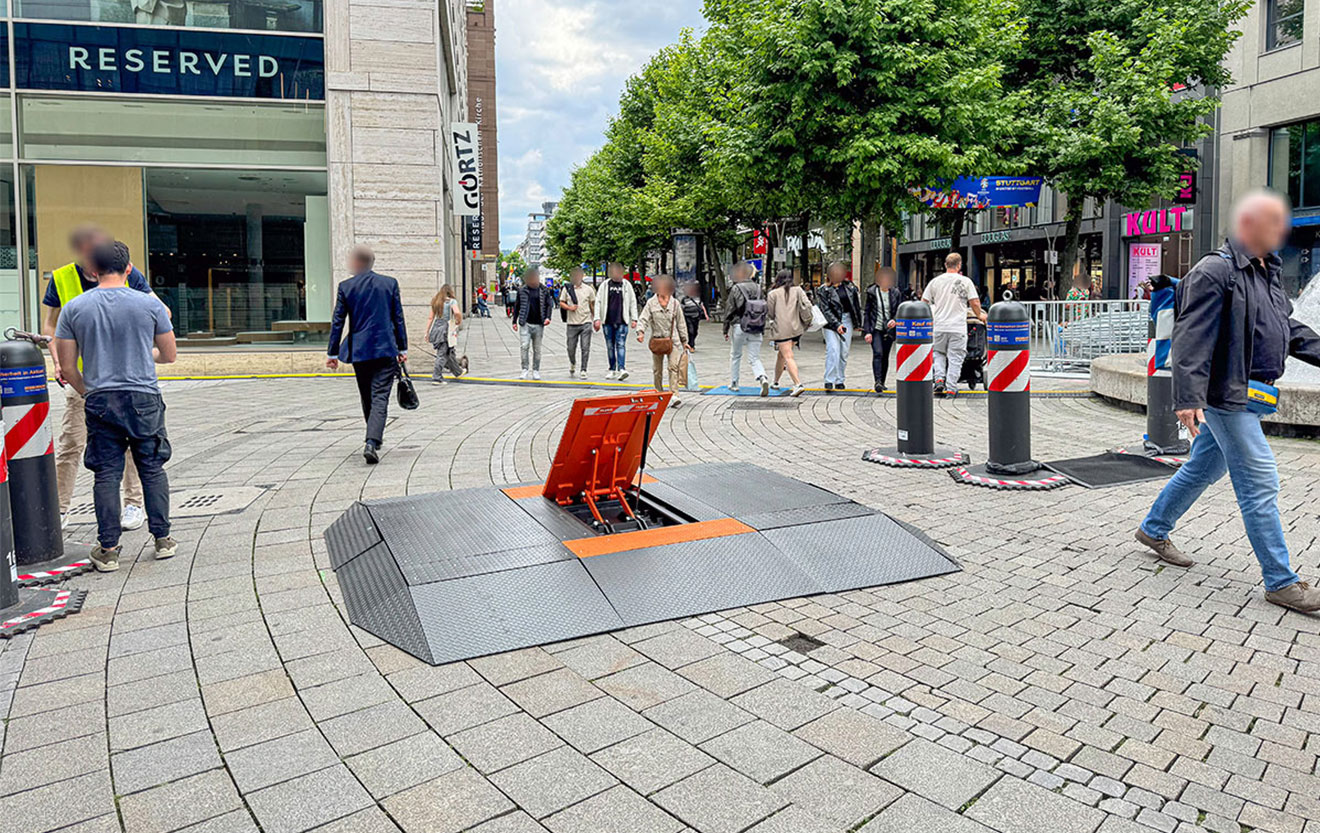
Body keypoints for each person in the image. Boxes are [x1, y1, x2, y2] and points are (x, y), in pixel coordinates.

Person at [1136, 190, 1320, 613]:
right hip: (1226, 395)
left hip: (1250, 394)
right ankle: (1281, 582)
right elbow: (1191, 336)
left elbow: (1287, 329)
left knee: (1203, 468)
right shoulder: (1216, 270)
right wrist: (1187, 397)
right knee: (1260, 482)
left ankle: (1153, 528)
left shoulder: (1266, 271)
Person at [51, 241, 177, 572]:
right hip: (144, 398)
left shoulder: (74, 308)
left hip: (101, 399)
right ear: (129, 269)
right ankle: (163, 539)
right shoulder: (149, 305)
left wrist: (88, 392)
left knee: (106, 473)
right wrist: (145, 355)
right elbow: (169, 354)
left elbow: (67, 367)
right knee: (152, 468)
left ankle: (108, 549)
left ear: (93, 271)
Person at [43, 225, 160, 531]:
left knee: (132, 443)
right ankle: (59, 508)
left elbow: (160, 312)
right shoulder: (62, 277)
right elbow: (49, 326)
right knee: (72, 441)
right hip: (83, 375)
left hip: (126, 376)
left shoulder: (127, 273)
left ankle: (133, 504)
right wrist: (59, 362)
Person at [326, 245, 408, 465]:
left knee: (367, 395)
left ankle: (373, 437)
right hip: (385, 348)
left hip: (360, 351)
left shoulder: (346, 287)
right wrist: (402, 348)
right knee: (380, 396)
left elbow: (338, 321)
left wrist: (333, 352)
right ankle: (372, 440)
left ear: (358, 263)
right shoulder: (389, 284)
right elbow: (398, 317)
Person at [921, 252, 985, 396]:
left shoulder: (935, 282)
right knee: (955, 357)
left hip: (939, 326)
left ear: (945, 265)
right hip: (957, 327)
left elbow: (924, 302)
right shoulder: (965, 281)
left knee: (938, 353)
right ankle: (950, 388)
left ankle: (939, 380)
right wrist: (980, 315)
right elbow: (975, 302)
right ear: (959, 265)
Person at [636, 274, 690, 404]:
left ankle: (674, 394)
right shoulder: (651, 303)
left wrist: (685, 341)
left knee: (673, 367)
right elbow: (643, 318)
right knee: (657, 370)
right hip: (657, 340)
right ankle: (659, 393)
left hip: (673, 340)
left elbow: (681, 323)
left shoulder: (675, 304)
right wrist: (640, 332)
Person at [722, 262, 771, 396]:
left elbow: (730, 309)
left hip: (739, 325)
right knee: (754, 357)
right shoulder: (759, 288)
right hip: (756, 326)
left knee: (735, 355)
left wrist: (725, 328)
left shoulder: (736, 288)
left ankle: (734, 383)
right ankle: (762, 377)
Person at [818, 261, 862, 391]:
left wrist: (858, 323)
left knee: (844, 352)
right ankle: (829, 380)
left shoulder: (850, 287)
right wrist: (837, 324)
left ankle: (840, 379)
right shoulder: (823, 290)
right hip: (830, 323)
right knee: (833, 350)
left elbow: (856, 306)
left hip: (847, 320)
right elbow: (825, 310)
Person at [593, 262, 638, 380]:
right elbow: (598, 302)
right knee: (610, 346)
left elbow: (632, 301)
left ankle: (622, 368)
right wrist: (597, 318)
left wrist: (634, 318)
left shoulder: (626, 285)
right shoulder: (605, 285)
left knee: (621, 344)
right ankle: (612, 369)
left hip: (622, 320)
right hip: (607, 321)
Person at [766, 269, 808, 397]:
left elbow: (770, 313)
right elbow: (807, 305)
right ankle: (776, 381)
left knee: (788, 356)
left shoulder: (773, 294)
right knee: (782, 355)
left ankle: (798, 384)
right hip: (796, 328)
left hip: (781, 329)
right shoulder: (798, 290)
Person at [864, 266, 902, 393]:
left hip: (889, 330)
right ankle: (878, 381)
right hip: (876, 328)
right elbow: (867, 312)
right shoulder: (872, 292)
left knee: (885, 355)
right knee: (878, 353)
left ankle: (882, 382)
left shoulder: (896, 293)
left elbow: (899, 310)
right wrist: (867, 331)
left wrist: (895, 320)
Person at [513, 267, 553, 380]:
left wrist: (548, 317)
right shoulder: (522, 290)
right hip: (525, 323)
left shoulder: (544, 290)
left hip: (539, 323)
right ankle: (524, 369)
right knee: (524, 346)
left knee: (537, 349)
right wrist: (514, 321)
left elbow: (549, 305)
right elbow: (517, 306)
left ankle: (536, 370)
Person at [426, 285, 468, 384]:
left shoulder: (435, 302)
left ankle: (458, 372)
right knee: (442, 354)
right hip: (447, 329)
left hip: (437, 327)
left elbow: (431, 318)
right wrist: (459, 321)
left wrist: (427, 332)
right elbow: (457, 312)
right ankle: (437, 378)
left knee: (449, 352)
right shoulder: (452, 302)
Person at [560, 267, 595, 379]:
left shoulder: (588, 289)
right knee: (570, 348)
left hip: (586, 322)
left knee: (585, 347)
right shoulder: (567, 289)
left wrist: (596, 319)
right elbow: (561, 302)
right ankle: (573, 362)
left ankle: (584, 369)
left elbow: (592, 304)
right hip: (572, 323)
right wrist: (569, 308)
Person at [680, 281, 708, 348]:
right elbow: (681, 308)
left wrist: (706, 314)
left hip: (696, 316)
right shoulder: (684, 299)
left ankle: (691, 342)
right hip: (688, 316)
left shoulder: (697, 298)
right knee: (691, 330)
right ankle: (691, 345)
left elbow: (702, 306)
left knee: (695, 331)